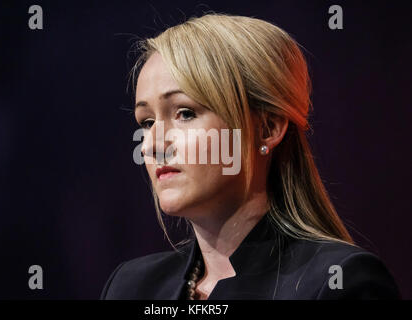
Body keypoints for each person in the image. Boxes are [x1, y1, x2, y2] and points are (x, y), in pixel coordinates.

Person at [101, 13, 400, 300]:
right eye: (147, 122)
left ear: (268, 128)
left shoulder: (337, 283)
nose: (152, 144)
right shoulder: (131, 286)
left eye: (185, 113)